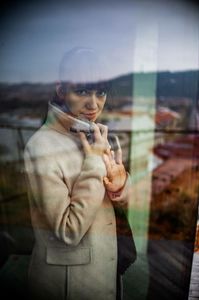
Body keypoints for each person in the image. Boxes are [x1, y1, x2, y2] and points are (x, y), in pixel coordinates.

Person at [24, 47, 136, 300]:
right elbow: (68, 231)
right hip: (70, 285)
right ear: (61, 90)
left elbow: (114, 202)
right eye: (82, 91)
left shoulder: (93, 132)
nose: (94, 104)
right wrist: (95, 162)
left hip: (104, 271)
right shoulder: (41, 145)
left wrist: (121, 186)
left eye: (101, 92)